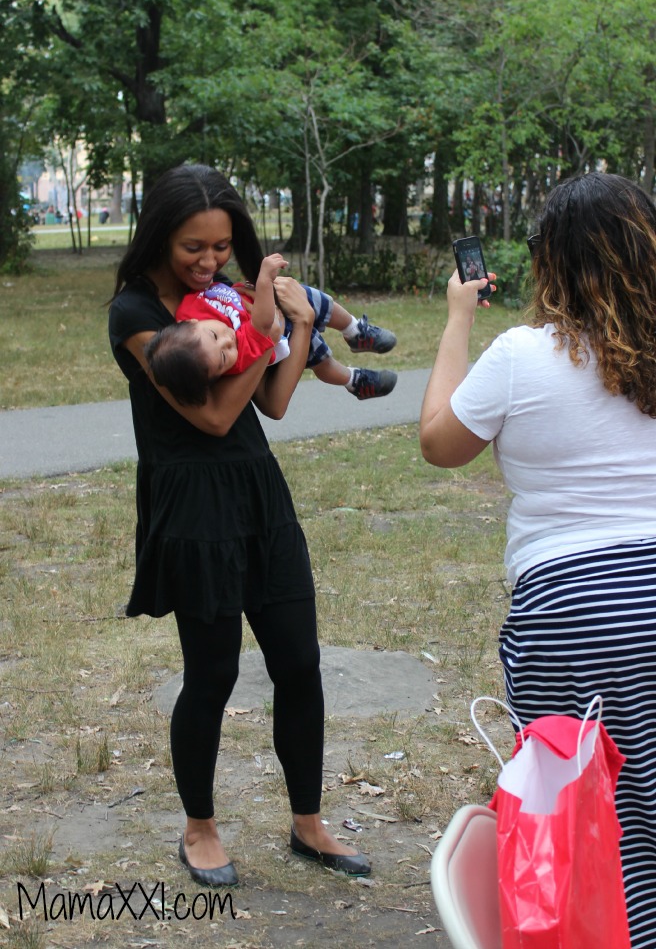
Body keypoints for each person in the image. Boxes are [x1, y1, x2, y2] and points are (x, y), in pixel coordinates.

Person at [108, 164, 371, 888]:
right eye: (193, 247)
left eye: (222, 247)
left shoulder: (223, 296)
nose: (210, 261)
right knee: (213, 673)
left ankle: (308, 822)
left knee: (299, 661)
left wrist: (302, 324)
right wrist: (259, 333)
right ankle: (200, 828)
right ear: (160, 237)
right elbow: (216, 415)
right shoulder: (135, 315)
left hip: (259, 493)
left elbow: (273, 404)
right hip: (193, 506)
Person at [419, 171, 656, 947]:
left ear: (550, 260)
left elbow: (439, 442)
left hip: (571, 614)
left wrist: (458, 319)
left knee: (577, 805)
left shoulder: (521, 355)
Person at [144, 250, 398, 406]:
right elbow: (265, 325)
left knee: (316, 298)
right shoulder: (239, 355)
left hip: (261, 300)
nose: (228, 341)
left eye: (214, 335)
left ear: (189, 323)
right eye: (223, 357)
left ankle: (355, 331)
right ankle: (354, 380)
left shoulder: (187, 311)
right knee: (320, 358)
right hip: (281, 331)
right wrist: (264, 280)